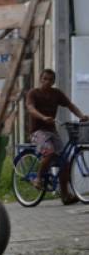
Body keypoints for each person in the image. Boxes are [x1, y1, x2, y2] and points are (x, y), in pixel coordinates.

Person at [26, 69, 89, 204]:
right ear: (40, 79)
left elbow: (70, 105)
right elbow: (31, 108)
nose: (47, 82)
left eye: (50, 79)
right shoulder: (33, 93)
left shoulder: (56, 94)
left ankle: (65, 196)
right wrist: (43, 117)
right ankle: (38, 178)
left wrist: (81, 116)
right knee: (49, 152)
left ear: (54, 81)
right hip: (37, 131)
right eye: (45, 79)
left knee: (64, 163)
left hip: (52, 130)